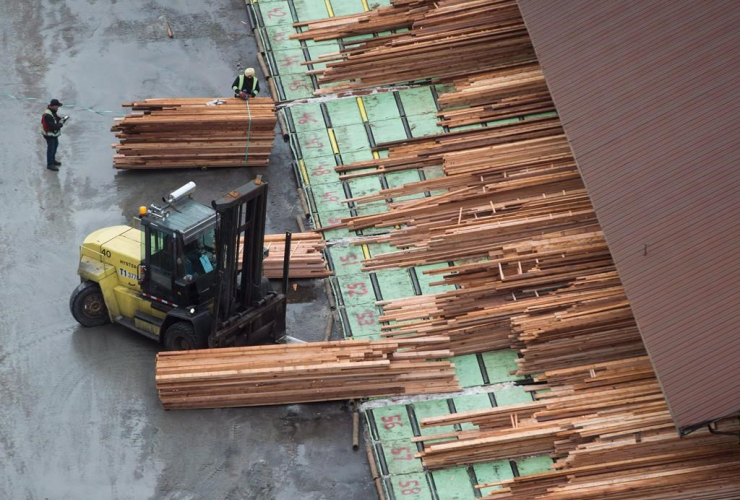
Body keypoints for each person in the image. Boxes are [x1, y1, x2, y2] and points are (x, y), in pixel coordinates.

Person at [41, 99, 68, 171]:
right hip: (49, 135)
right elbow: (53, 127)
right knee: (51, 149)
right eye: (57, 106)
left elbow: (56, 118)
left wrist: (62, 119)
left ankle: (52, 161)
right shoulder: (48, 115)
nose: (58, 108)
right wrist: (61, 124)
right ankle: (50, 164)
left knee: (55, 146)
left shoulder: (52, 111)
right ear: (53, 106)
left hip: (53, 134)